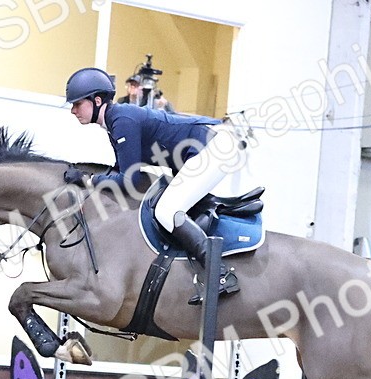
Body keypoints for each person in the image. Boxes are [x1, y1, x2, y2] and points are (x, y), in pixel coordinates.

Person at [63, 67, 250, 304]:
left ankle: (220, 274)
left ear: (97, 100)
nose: (73, 110)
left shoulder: (122, 120)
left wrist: (90, 180)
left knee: (166, 211)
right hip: (203, 148)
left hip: (215, 145)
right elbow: (127, 174)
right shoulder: (114, 122)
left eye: (77, 104)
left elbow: (129, 179)